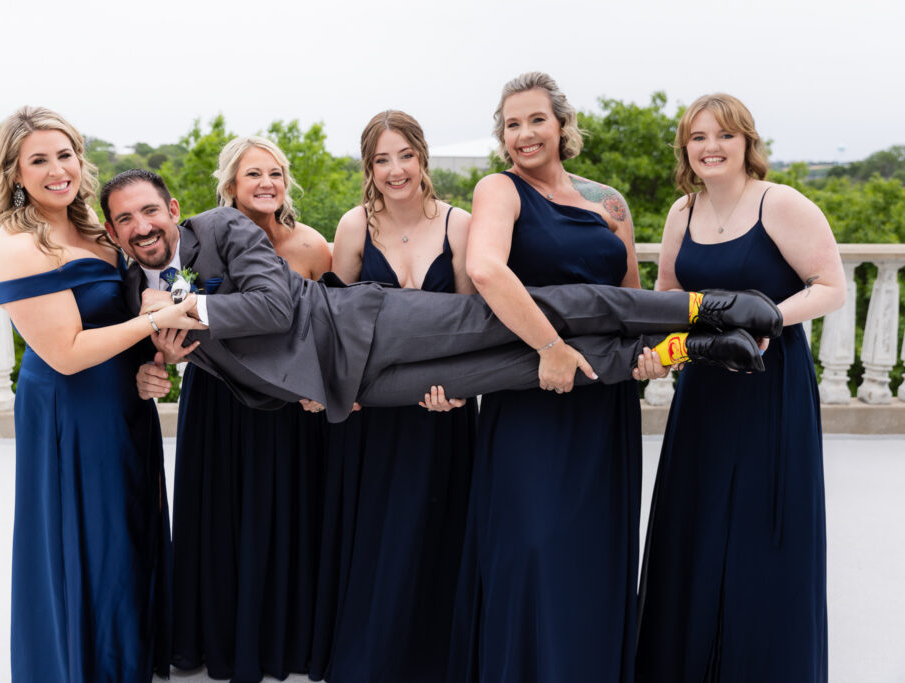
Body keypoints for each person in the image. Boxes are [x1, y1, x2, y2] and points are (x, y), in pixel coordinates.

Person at [100, 169, 778, 425]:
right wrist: (161, 363)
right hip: (343, 389)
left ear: (173, 207)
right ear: (116, 231)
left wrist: (184, 312)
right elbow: (213, 352)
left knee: (550, 311)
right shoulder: (134, 293)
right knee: (523, 372)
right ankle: (687, 348)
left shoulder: (221, 229)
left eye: (149, 211)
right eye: (126, 220)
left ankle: (707, 307)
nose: (142, 226)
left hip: (372, 324)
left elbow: (275, 307)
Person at [447, 70, 662, 681]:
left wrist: (647, 355)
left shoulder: (609, 201)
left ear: (563, 125)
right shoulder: (501, 190)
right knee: (532, 542)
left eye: (536, 119)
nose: (524, 134)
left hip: (606, 396)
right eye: (511, 124)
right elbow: (487, 269)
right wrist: (550, 346)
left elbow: (632, 297)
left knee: (592, 546)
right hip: (531, 387)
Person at [0, 106, 204, 683]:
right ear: (14, 172)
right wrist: (159, 323)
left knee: (128, 524)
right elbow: (67, 352)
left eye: (65, 155)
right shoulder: (19, 245)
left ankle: (130, 650)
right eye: (39, 160)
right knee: (90, 534)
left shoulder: (92, 226)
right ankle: (89, 664)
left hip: (123, 401)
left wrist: (155, 362)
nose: (58, 169)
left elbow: (124, 309)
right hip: (70, 409)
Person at [635, 94, 844, 683]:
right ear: (686, 149)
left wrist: (767, 320)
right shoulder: (682, 213)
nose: (711, 148)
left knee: (761, 532)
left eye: (724, 136)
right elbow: (670, 297)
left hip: (769, 385)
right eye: (698, 138)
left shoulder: (780, 204)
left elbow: (831, 286)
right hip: (703, 390)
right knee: (695, 528)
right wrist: (659, 355)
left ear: (747, 142)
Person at [139, 136, 332, 682]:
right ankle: (217, 637)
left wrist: (322, 384)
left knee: (288, 512)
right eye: (253, 174)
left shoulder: (313, 247)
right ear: (230, 186)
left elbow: (330, 327)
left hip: (292, 404)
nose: (266, 183)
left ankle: (283, 639)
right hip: (217, 399)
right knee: (218, 514)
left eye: (275, 172)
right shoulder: (198, 245)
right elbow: (164, 313)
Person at [314, 111, 477, 683]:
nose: (394, 169)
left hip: (442, 408)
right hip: (374, 413)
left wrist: (457, 395)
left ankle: (434, 658)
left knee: (435, 528)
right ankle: (373, 655)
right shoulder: (355, 226)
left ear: (422, 157)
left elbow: (473, 323)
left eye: (403, 155)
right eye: (381, 159)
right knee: (379, 533)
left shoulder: (460, 225)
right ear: (369, 167)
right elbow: (337, 323)